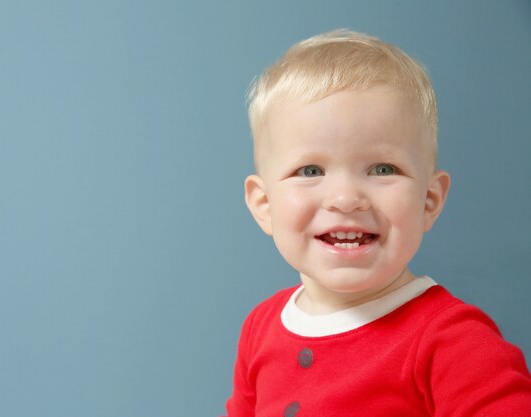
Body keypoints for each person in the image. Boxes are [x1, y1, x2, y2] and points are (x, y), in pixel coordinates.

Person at [223, 29, 531, 417]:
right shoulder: (260, 327)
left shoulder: (454, 340)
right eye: (310, 169)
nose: (345, 198)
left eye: (382, 168)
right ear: (264, 204)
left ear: (429, 201)